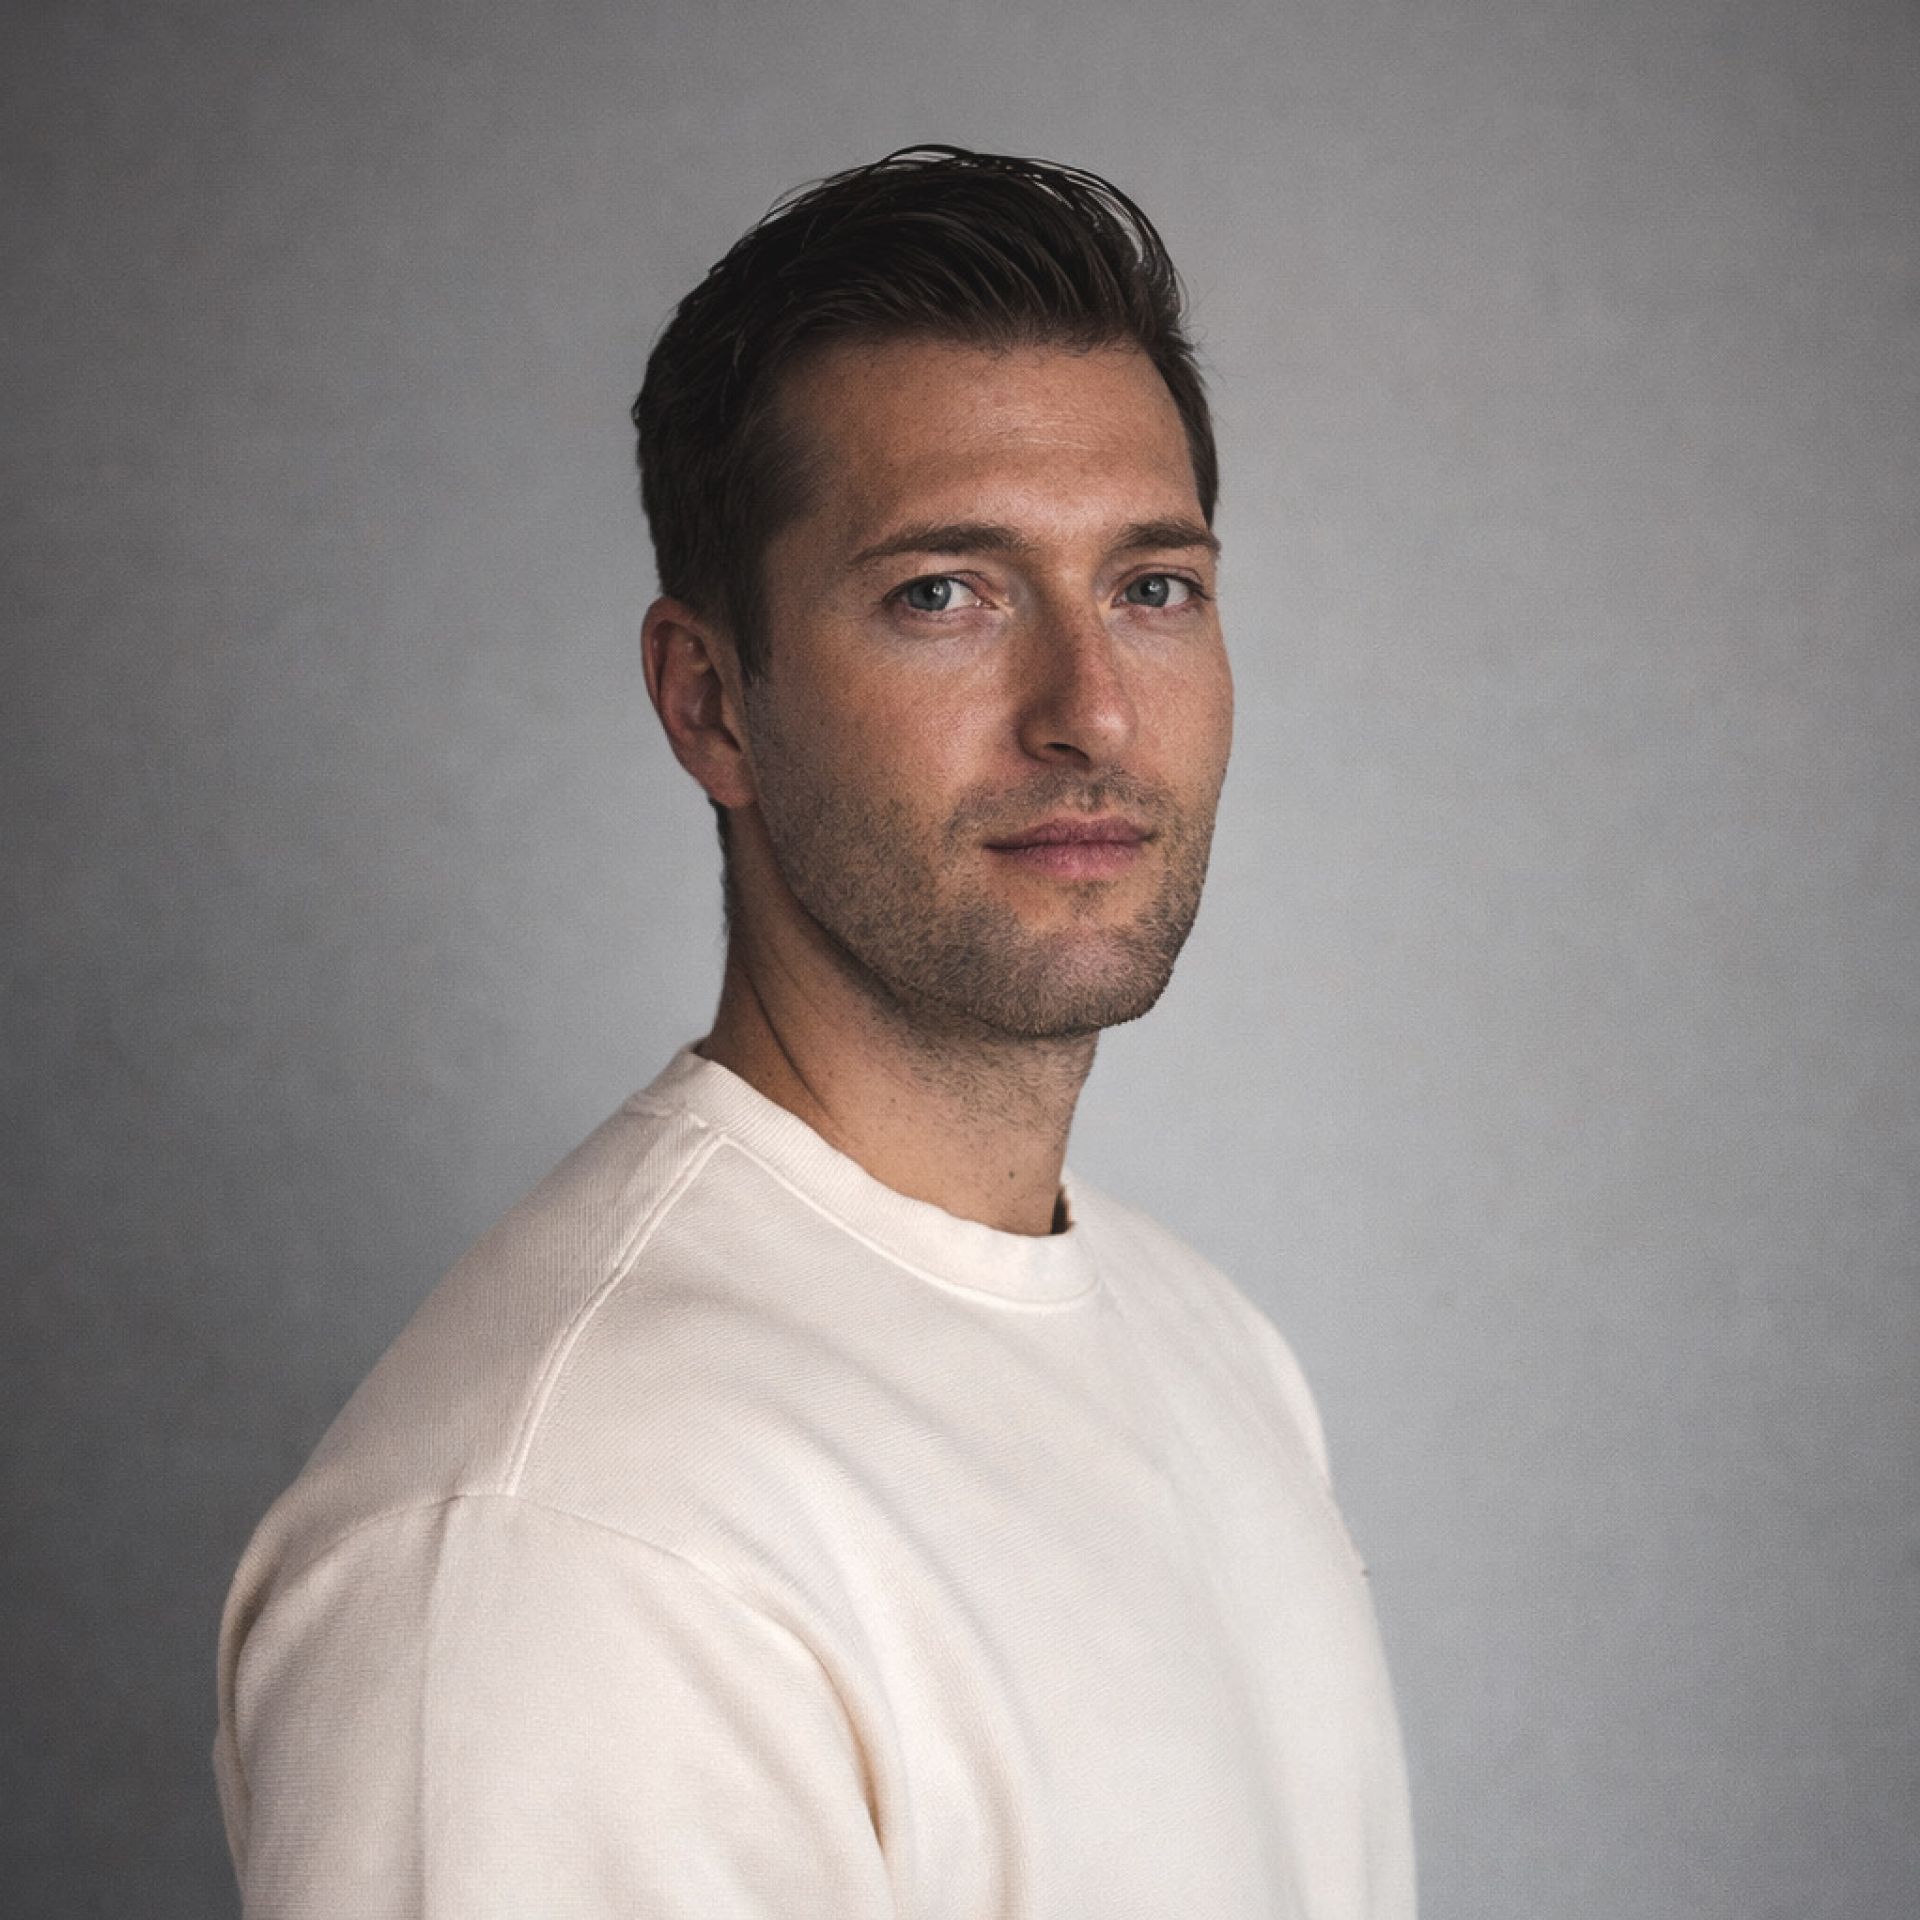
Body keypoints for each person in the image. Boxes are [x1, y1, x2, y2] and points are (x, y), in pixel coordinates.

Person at [213, 145, 1416, 1919]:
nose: (1091, 712)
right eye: (945, 593)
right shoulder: (573, 1541)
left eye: (1152, 587)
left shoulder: (1216, 1352)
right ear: (711, 704)